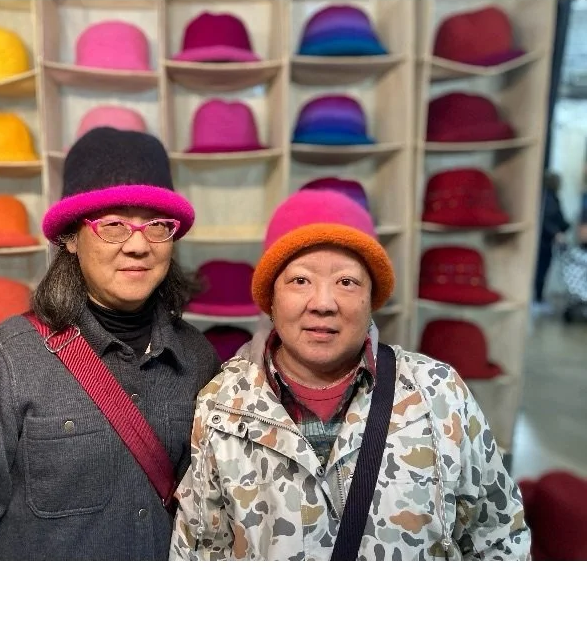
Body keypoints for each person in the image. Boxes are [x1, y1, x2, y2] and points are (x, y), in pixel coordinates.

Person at [169, 188, 531, 560]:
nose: (323, 303)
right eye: (300, 280)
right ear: (271, 298)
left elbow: (498, 538)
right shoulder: (222, 406)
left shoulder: (440, 395)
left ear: (372, 296)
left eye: (347, 282)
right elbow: (200, 549)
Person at [0, 127, 220, 560]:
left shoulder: (197, 358)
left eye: (156, 225)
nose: (138, 245)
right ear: (71, 238)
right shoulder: (6, 360)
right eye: (113, 225)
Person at [534, 170, 570, 305]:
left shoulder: (549, 197)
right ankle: (537, 299)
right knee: (541, 269)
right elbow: (547, 220)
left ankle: (538, 298)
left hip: (545, 241)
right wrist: (556, 233)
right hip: (544, 242)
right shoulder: (549, 199)